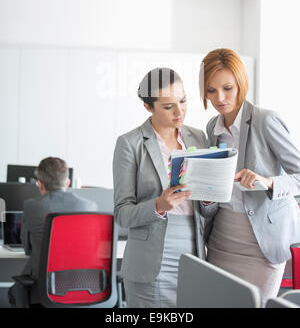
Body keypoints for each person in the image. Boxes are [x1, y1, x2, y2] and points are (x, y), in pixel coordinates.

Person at [200, 48, 300, 305]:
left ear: (241, 84)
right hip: (222, 240)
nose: (219, 98)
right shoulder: (213, 127)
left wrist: (268, 182)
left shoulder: (265, 120)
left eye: (227, 88)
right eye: (211, 90)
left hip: (261, 246)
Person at [113, 67, 217, 308]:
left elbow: (206, 210)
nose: (179, 111)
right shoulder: (130, 144)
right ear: (148, 108)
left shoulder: (198, 137)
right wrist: (158, 206)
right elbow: (122, 214)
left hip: (194, 253)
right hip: (151, 257)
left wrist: (209, 200)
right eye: (168, 106)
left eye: (182, 101)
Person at [8, 156, 97, 306]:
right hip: (85, 289)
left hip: (43, 291)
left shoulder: (31, 206)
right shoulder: (90, 206)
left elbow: (28, 249)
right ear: (67, 183)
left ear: (40, 185)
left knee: (11, 294)